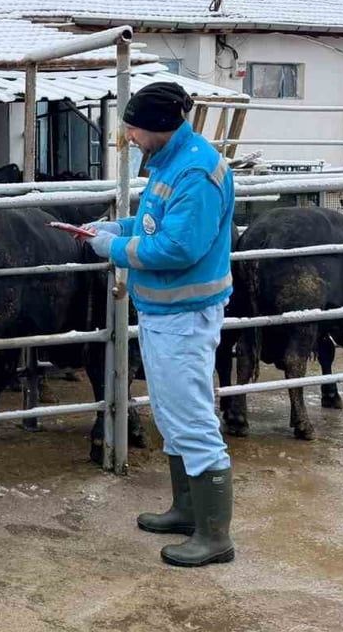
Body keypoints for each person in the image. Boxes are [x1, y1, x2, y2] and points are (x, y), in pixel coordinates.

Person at [83, 82, 237, 567]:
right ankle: (186, 511)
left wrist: (113, 250)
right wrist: (116, 228)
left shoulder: (194, 172)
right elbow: (156, 224)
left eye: (133, 127)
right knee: (172, 417)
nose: (127, 135)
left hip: (185, 316)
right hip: (162, 312)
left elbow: (178, 248)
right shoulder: (171, 160)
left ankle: (215, 537)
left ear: (160, 126)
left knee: (191, 419)